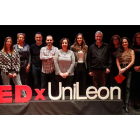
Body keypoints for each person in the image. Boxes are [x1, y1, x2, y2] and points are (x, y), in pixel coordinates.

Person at [116, 37, 135, 113]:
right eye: (123, 42)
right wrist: (120, 69)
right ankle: (122, 103)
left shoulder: (131, 51)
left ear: (128, 43)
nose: (124, 43)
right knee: (121, 87)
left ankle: (126, 105)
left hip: (128, 70)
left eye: (125, 42)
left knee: (127, 87)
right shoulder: (119, 51)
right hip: (121, 69)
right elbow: (117, 61)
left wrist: (125, 69)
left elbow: (132, 61)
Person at [130, 32, 140, 109]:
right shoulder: (132, 47)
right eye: (137, 37)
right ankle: (134, 101)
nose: (138, 39)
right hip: (134, 69)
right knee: (134, 85)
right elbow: (130, 58)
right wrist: (134, 66)